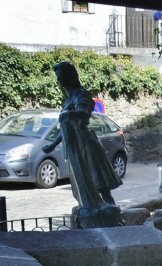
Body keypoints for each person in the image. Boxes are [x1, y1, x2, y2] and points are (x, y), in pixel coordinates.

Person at [41, 61, 123, 228]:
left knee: (100, 183)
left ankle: (115, 220)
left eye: (61, 77)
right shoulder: (69, 99)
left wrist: (70, 113)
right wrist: (52, 145)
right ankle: (93, 213)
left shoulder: (80, 95)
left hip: (86, 144)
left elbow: (84, 114)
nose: (59, 81)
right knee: (83, 184)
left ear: (69, 77)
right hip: (75, 146)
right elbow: (65, 128)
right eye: (58, 77)